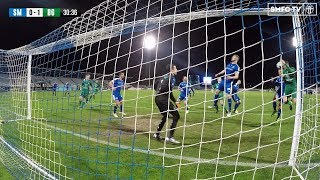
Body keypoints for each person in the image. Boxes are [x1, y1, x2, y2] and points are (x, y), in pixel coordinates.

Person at [153, 64, 180, 143]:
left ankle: (157, 133)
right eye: (176, 68)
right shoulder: (172, 78)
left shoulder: (162, 76)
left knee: (165, 116)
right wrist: (176, 102)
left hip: (157, 98)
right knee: (176, 115)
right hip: (163, 99)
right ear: (172, 70)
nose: (177, 70)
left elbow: (155, 85)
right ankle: (170, 137)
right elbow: (169, 92)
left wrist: (159, 91)